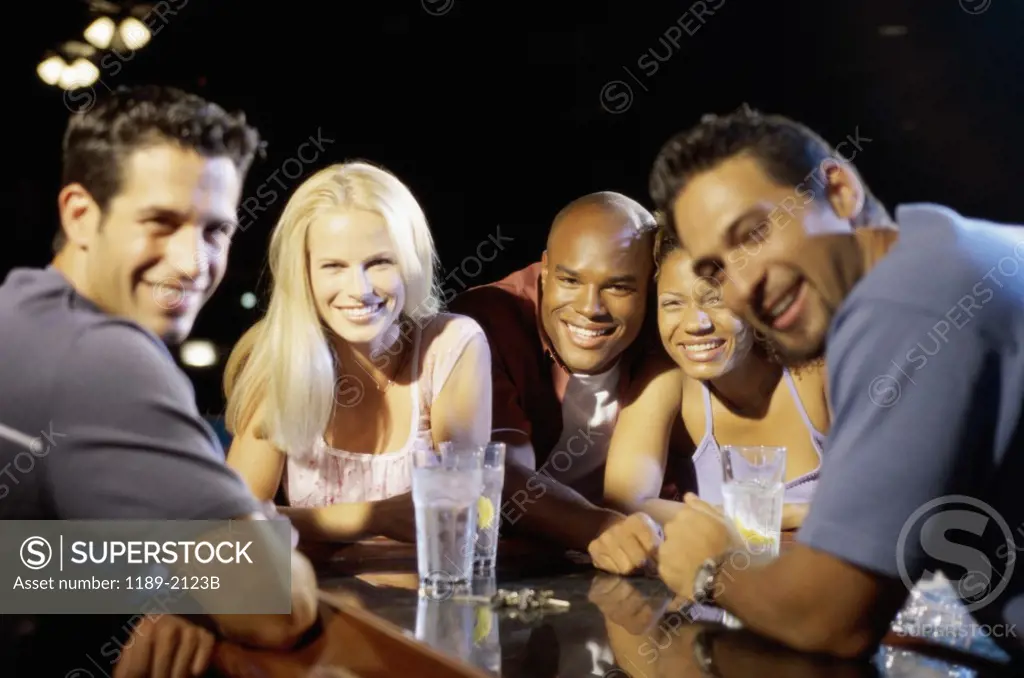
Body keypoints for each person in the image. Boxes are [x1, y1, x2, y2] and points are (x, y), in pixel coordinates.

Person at [647, 106, 1024, 660]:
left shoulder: (905, 300)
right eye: (715, 272)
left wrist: (712, 570)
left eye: (754, 233)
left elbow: (830, 618)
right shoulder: (941, 252)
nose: (742, 287)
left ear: (840, 191)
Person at [0, 86, 319, 675]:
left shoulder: (17, 309)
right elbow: (280, 606)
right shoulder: (104, 359)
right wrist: (226, 559)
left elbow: (17, 567)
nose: (192, 262)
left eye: (215, 231)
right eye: (161, 222)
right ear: (80, 214)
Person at [223, 162, 492, 543]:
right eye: (334, 266)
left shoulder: (452, 345)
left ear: (410, 262)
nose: (359, 289)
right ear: (304, 274)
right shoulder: (280, 354)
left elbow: (463, 519)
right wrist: (369, 517)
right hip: (310, 596)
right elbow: (232, 526)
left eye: (380, 262)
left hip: (422, 596)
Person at [448, 192, 692, 564]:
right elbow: (497, 471)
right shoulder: (485, 323)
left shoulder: (668, 329)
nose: (589, 308)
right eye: (570, 280)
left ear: (652, 284)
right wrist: (598, 528)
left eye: (619, 287)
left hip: (632, 559)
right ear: (545, 268)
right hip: (511, 565)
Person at [602, 222, 831, 531]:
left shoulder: (817, 372)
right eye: (672, 303)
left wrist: (732, 517)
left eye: (715, 300)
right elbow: (626, 501)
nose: (695, 324)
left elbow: (885, 496)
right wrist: (781, 514)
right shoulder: (667, 381)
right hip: (723, 578)